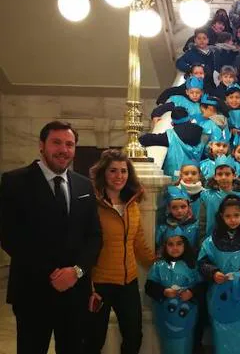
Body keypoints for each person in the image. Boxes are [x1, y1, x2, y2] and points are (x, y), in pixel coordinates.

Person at [0, 121, 102, 354]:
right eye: (56, 142)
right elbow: (10, 236)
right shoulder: (15, 182)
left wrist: (75, 272)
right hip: (32, 291)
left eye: (70, 144)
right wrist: (53, 274)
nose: (64, 150)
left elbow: (94, 236)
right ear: (41, 146)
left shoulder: (84, 184)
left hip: (75, 291)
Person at [84, 149, 155, 354]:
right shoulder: (92, 204)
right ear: (103, 173)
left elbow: (138, 241)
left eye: (123, 171)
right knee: (93, 339)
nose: (119, 176)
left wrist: (157, 263)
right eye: (113, 171)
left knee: (134, 336)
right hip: (100, 283)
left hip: (128, 282)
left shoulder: (132, 203)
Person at [198, 195, 240, 354]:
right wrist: (213, 273)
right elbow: (202, 263)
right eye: (228, 216)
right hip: (221, 295)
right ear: (221, 216)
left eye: (236, 215)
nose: (232, 220)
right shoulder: (211, 241)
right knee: (224, 334)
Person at [145, 229, 202, 354]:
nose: (174, 247)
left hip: (188, 313)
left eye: (179, 243)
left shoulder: (192, 265)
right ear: (165, 246)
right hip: (165, 314)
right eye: (170, 244)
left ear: (185, 245)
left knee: (186, 343)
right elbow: (149, 286)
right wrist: (164, 291)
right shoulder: (159, 266)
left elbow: (202, 285)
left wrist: (191, 292)